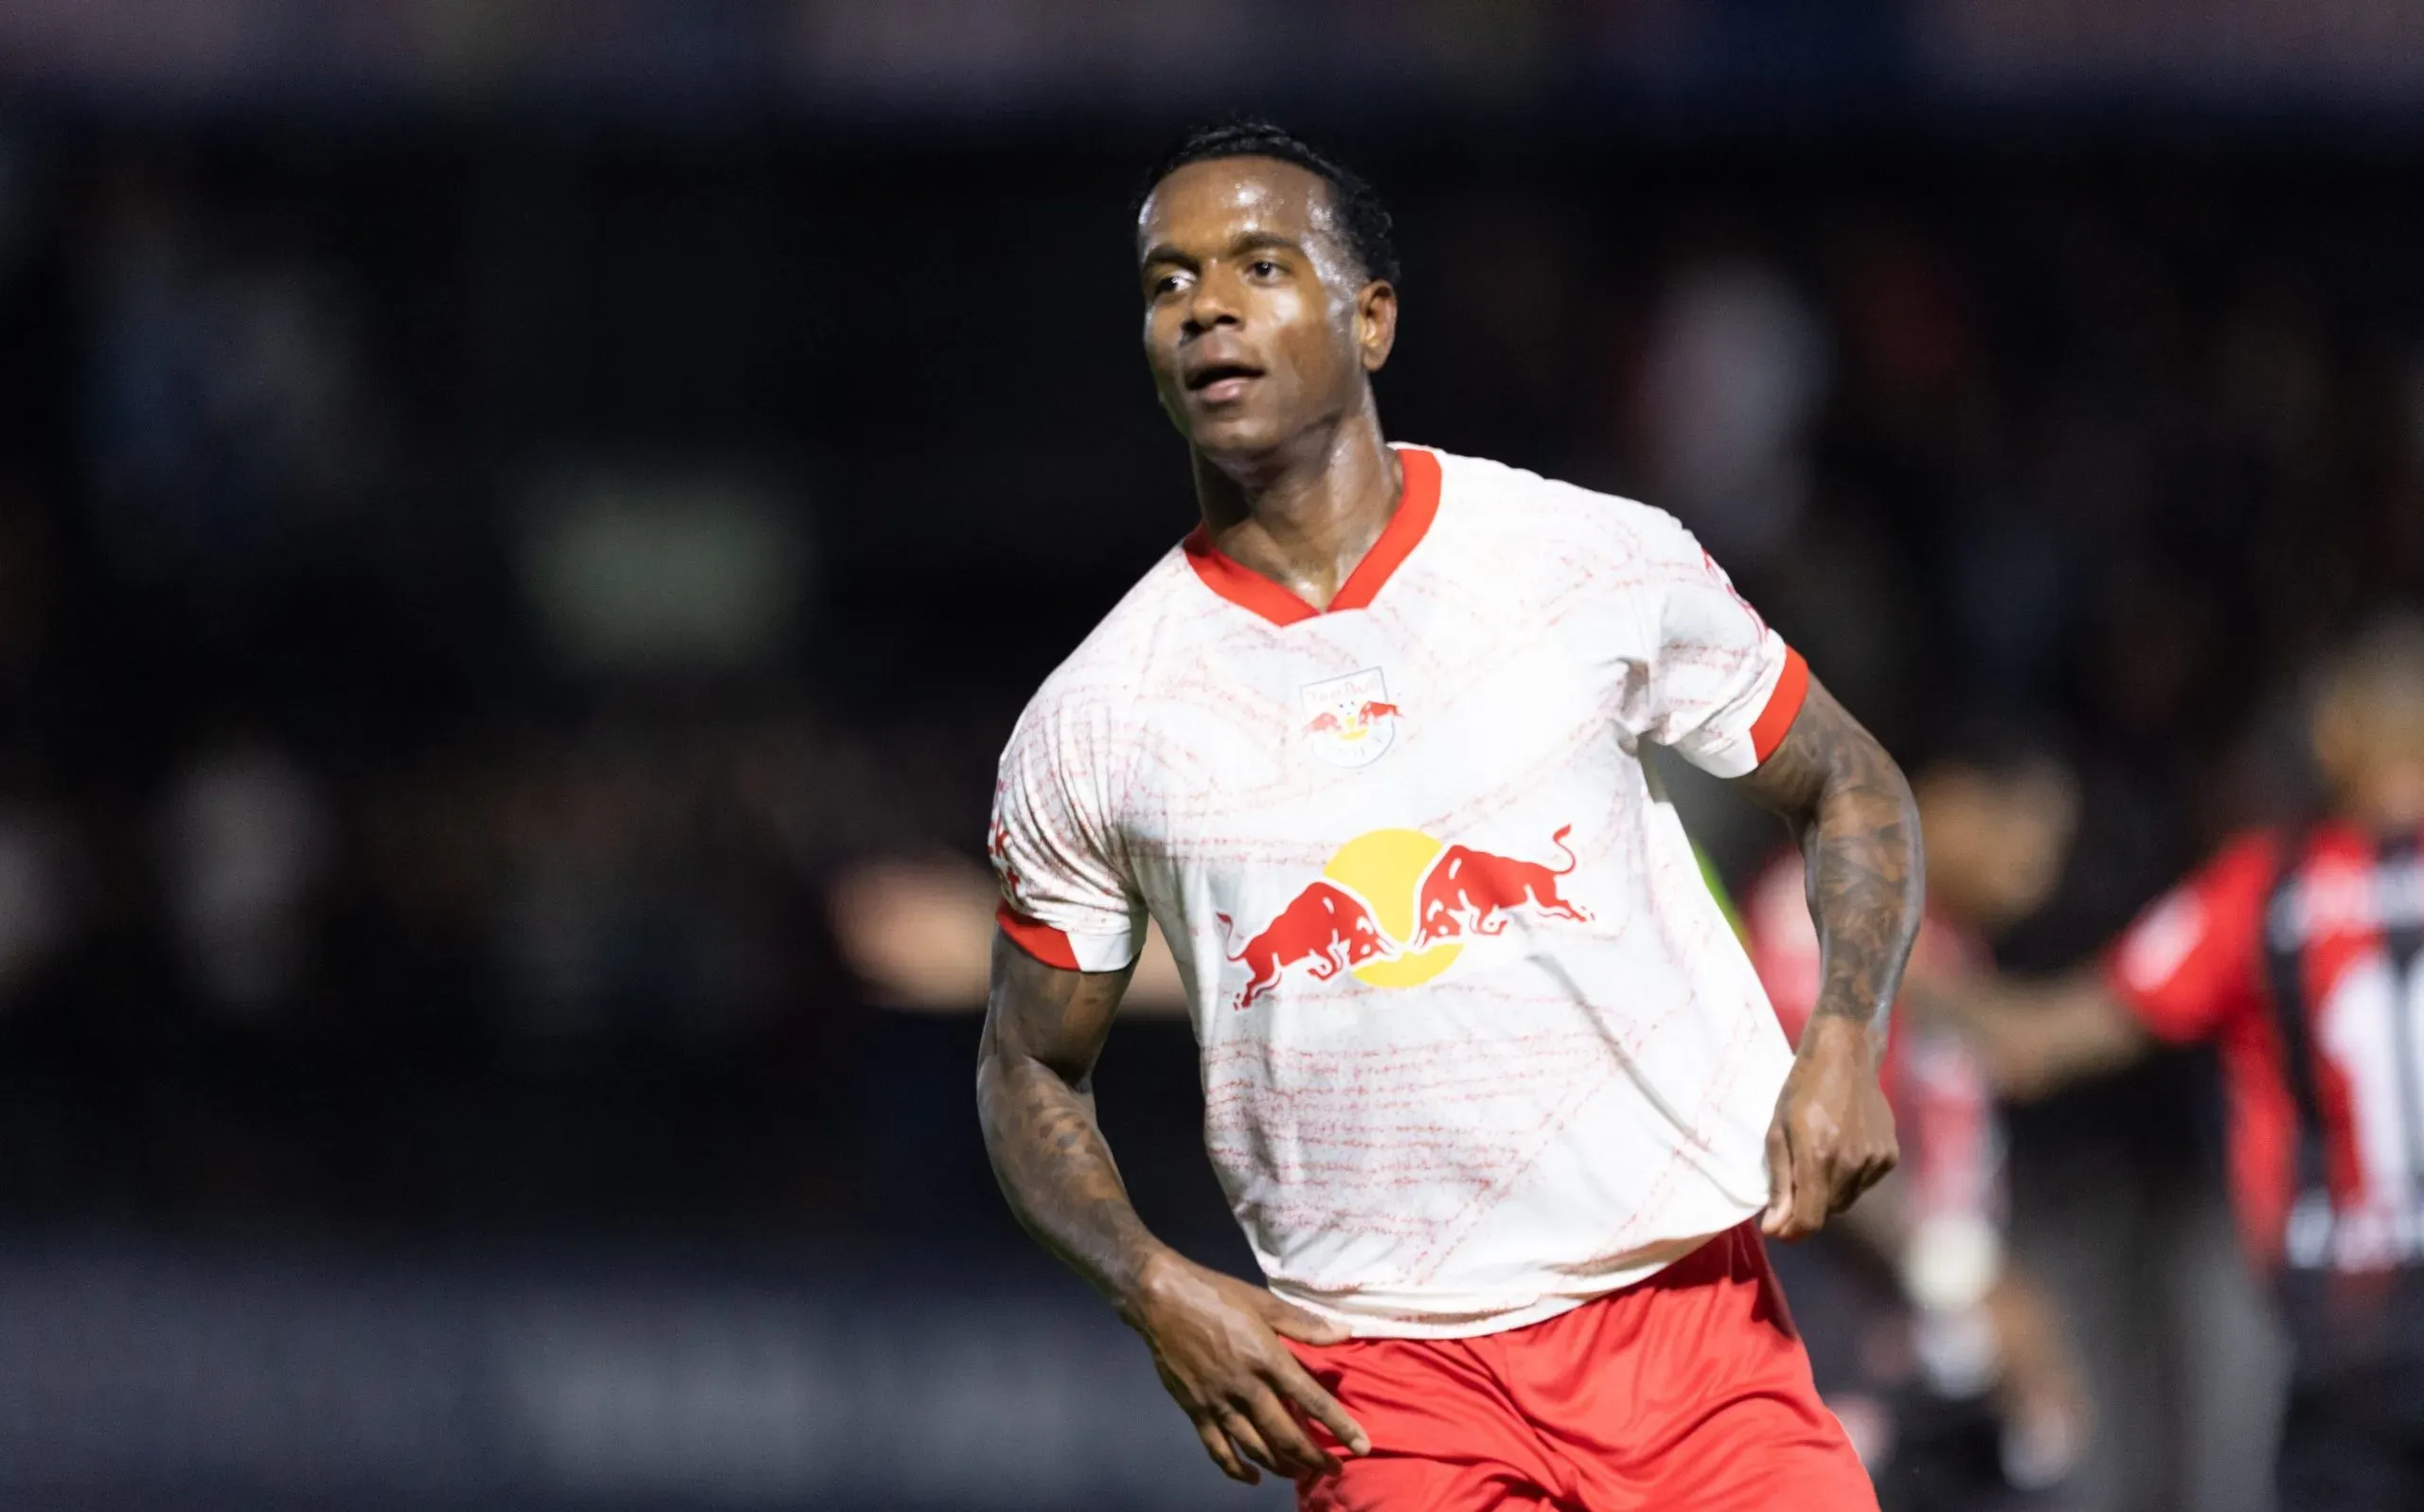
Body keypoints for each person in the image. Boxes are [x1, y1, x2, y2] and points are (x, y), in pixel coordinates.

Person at [973, 119, 1925, 1511]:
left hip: (1686, 1324)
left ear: (1371, 319)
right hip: (1385, 1389)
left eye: (1259, 266)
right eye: (1169, 281)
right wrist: (1151, 1283)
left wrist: (1842, 1034)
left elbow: (1846, 781)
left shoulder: (1584, 558)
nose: (1206, 306)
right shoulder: (1100, 714)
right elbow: (1026, 1064)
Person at [1918, 615, 2424, 1512]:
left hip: (2346, 1338)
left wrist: (1881, 960)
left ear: (2340, 735)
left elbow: (2032, 1043)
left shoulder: (2266, 890)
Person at [1744, 737, 2086, 1504]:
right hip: (1824, 1319)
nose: (2037, 874)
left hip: (1929, 1347)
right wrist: (1966, 1280)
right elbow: (1807, 1128)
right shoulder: (1819, 905)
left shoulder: (1950, 944)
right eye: (2023, 834)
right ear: (1949, 799)